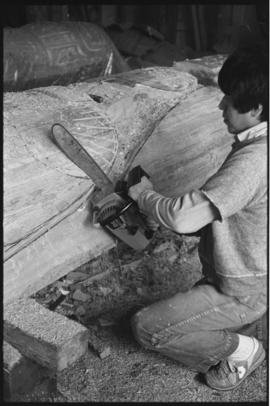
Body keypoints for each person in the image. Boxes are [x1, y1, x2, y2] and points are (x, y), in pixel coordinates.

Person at [128, 46, 268, 391]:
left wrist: (144, 195)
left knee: (146, 326)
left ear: (257, 109)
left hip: (245, 289)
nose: (221, 107)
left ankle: (244, 349)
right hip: (256, 271)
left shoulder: (254, 161)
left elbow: (182, 218)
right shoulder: (258, 139)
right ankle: (238, 322)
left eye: (230, 101)